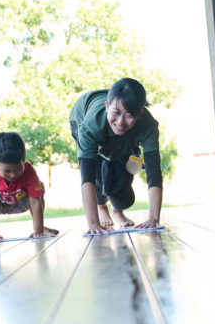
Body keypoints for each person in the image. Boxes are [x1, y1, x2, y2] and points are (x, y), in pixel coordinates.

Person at [70, 77, 163, 234]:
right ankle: (101, 207)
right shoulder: (89, 127)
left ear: (140, 113)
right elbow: (87, 178)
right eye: (116, 112)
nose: (121, 121)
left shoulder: (148, 125)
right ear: (107, 107)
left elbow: (154, 172)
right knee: (99, 176)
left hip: (125, 138)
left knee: (125, 195)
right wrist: (93, 224)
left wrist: (154, 218)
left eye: (129, 115)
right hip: (84, 118)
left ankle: (117, 210)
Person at [0, 131, 58, 244]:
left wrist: (38, 231)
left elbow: (35, 203)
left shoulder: (29, 171)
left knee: (38, 191)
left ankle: (40, 227)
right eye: (7, 171)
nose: (13, 174)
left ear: (24, 160)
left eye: (18, 168)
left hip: (21, 202)